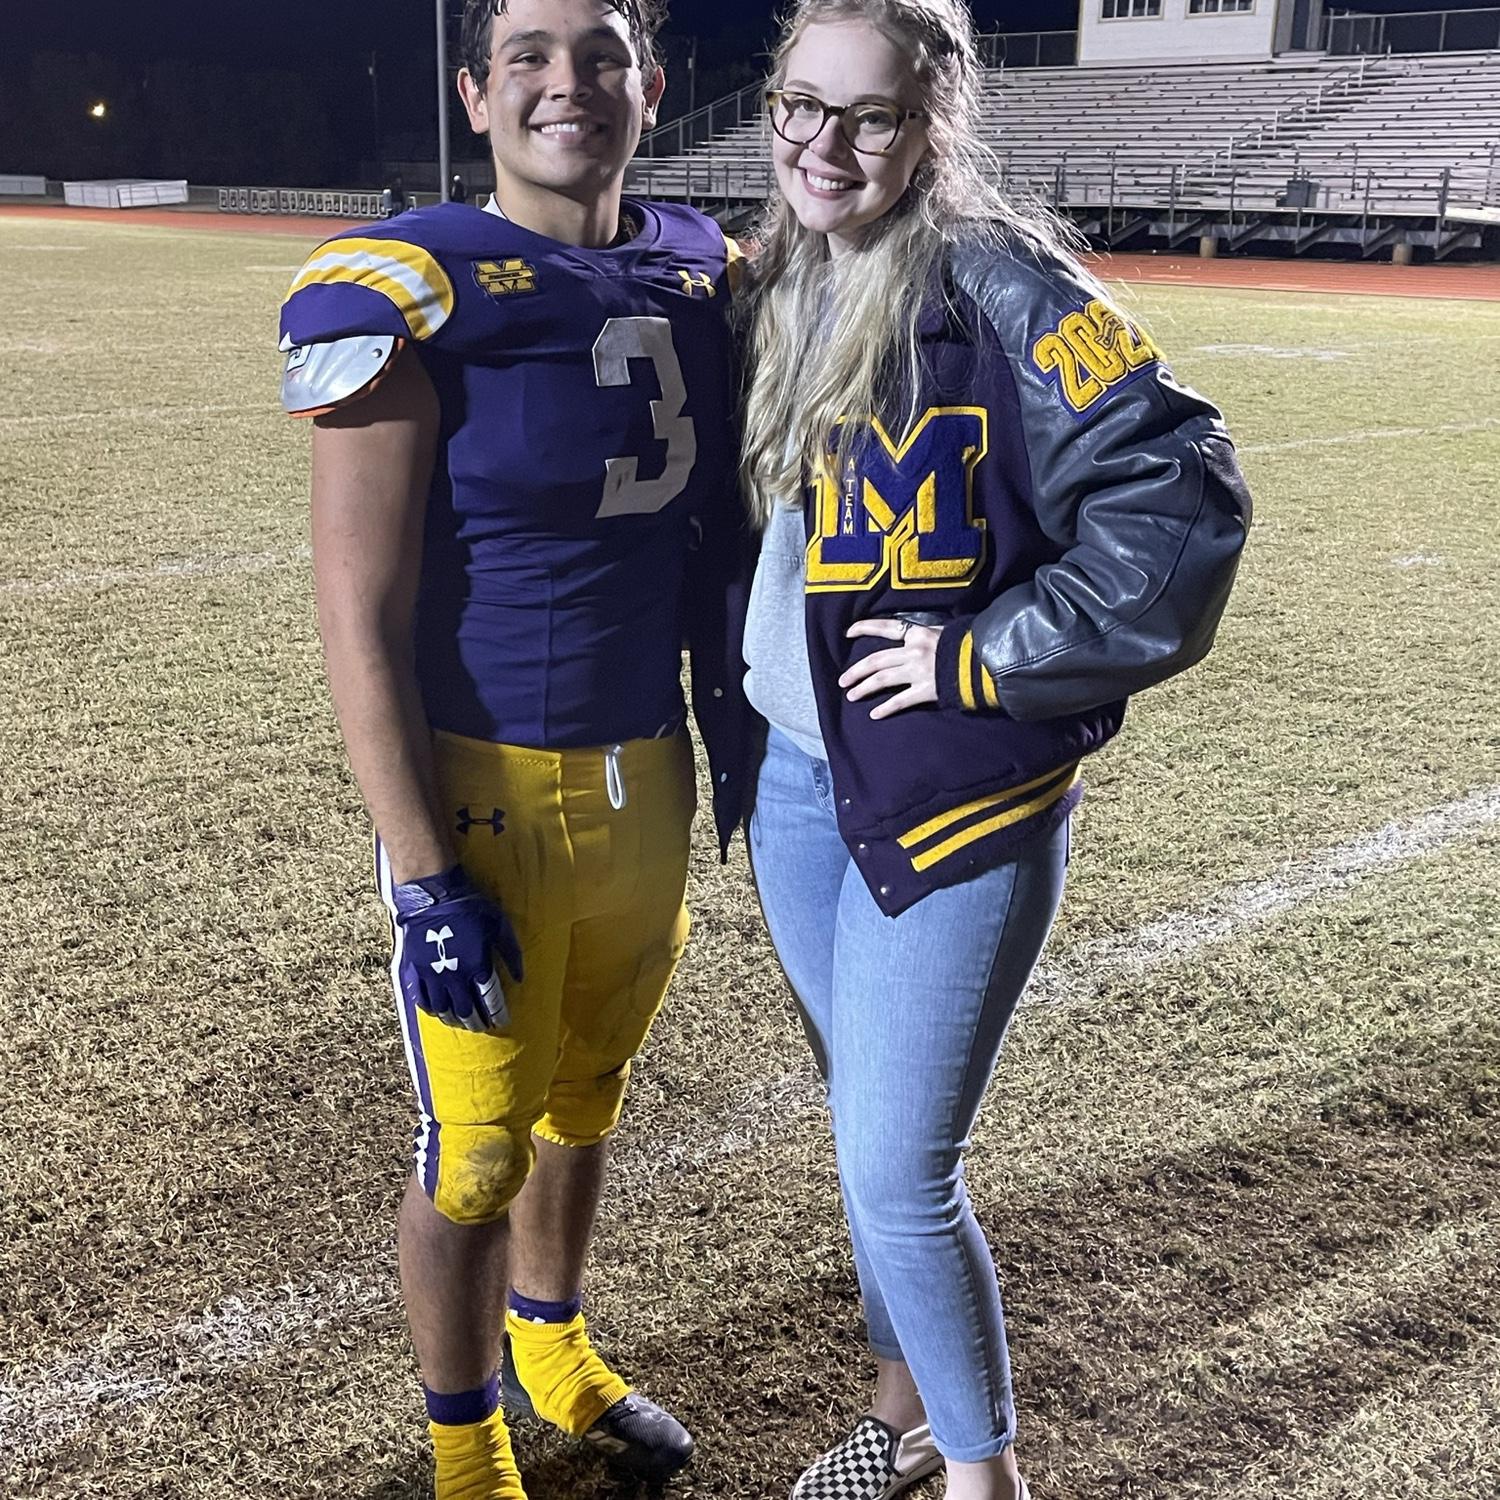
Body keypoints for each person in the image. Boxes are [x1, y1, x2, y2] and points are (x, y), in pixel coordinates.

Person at [735, 3, 1252, 1498]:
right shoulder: (779, 276)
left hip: (952, 788)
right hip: (796, 781)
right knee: (861, 1137)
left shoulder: (1007, 284)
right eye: (801, 104)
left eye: (871, 116)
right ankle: (904, 1419)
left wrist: (982, 656)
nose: (827, 146)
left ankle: (984, 1478)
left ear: (933, 124)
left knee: (900, 1170)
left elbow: (1182, 506)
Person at [276, 2, 744, 1496]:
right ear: (476, 96)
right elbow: (359, 616)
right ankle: (465, 1445)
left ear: (649, 85)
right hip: (487, 786)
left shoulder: (705, 266)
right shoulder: (412, 284)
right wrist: (422, 874)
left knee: (589, 1095)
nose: (568, 83)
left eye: (599, 53)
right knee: (479, 1150)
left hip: (648, 771)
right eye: (530, 56)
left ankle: (553, 1343)